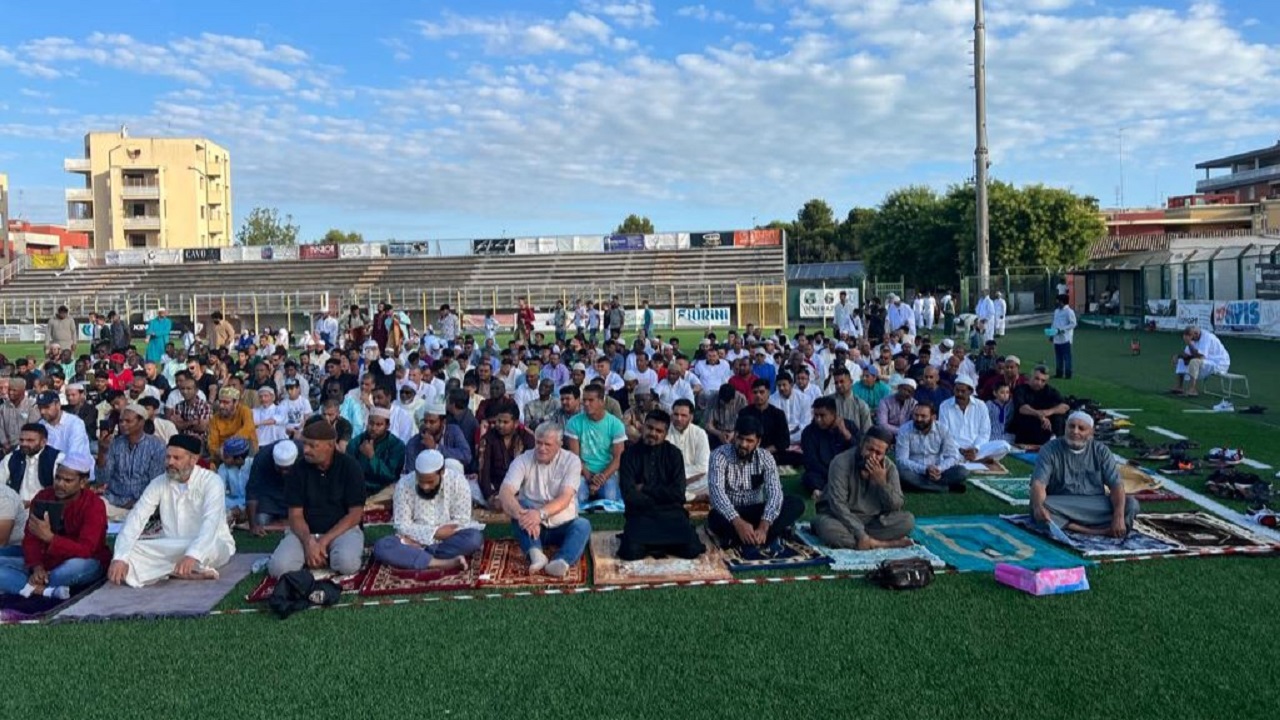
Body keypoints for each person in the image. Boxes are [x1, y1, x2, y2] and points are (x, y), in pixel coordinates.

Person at [107, 435, 237, 587]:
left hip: (210, 544)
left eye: (177, 458)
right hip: (172, 545)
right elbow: (137, 517)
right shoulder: (159, 482)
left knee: (213, 547)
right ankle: (181, 572)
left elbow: (211, 523)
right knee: (130, 550)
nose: (170, 462)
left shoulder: (212, 482)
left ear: (193, 460)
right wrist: (120, 558)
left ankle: (171, 570)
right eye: (168, 457)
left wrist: (192, 554)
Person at [0, 454, 109, 599]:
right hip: (45, 560)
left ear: (83, 482)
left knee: (68, 571)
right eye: (57, 478)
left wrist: (50, 538)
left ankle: (23, 586)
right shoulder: (43, 496)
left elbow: (86, 550)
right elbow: (31, 539)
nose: (60, 484)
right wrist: (37, 566)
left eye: (67, 480)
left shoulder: (94, 505)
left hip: (83, 561)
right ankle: (45, 591)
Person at [268, 419, 366, 578]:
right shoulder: (297, 470)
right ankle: (316, 554)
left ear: (330, 445)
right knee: (278, 568)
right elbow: (295, 515)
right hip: (305, 533)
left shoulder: (350, 467)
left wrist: (323, 541)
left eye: (312, 445)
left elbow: (355, 515)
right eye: (304, 444)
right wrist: (308, 542)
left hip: (341, 531)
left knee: (347, 564)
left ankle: (321, 553)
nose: (305, 450)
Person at [497, 423, 591, 578]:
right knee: (518, 506)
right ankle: (536, 554)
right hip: (532, 526)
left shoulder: (572, 461)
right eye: (538, 443)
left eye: (547, 444)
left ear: (560, 445)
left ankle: (561, 561)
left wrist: (539, 514)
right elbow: (505, 491)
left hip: (562, 523)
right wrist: (523, 515)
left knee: (583, 525)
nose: (541, 448)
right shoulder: (523, 459)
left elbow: (565, 498)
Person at [372, 450, 484, 572]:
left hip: (436, 541)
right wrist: (434, 532)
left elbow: (461, 521)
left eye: (430, 482)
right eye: (421, 481)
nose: (425, 486)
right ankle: (440, 563)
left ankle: (415, 557)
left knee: (473, 538)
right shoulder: (404, 485)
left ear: (442, 472)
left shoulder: (458, 482)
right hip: (419, 540)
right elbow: (402, 525)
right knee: (382, 546)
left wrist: (420, 540)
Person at [1031, 412, 1138, 537]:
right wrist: (1038, 506)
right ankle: (1098, 531)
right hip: (1062, 504)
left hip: (1093, 504)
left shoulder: (1101, 451)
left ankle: (1072, 526)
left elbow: (1116, 485)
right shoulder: (1049, 449)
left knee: (1131, 505)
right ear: (1065, 427)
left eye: (1081, 428)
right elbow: (1039, 483)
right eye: (1071, 426)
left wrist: (1118, 516)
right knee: (1040, 506)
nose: (1075, 431)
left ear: (1091, 433)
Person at [705, 416, 805, 549]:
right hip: (730, 514)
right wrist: (738, 522)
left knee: (795, 503)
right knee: (714, 517)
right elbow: (717, 494)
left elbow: (775, 493)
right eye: (740, 438)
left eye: (749, 441)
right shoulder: (719, 456)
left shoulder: (766, 457)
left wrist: (764, 525)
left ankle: (753, 536)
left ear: (758, 442)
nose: (743, 444)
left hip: (757, 512)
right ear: (734, 436)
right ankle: (768, 536)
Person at [617, 409, 704, 560]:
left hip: (671, 513)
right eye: (650, 428)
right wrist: (661, 496)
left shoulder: (674, 454)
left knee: (692, 550)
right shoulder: (629, 455)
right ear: (643, 427)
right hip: (641, 514)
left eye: (659, 431)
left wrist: (644, 488)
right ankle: (660, 545)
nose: (653, 433)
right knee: (630, 553)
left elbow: (678, 493)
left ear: (665, 434)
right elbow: (629, 494)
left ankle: (655, 546)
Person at [811, 428, 914, 549]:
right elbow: (837, 505)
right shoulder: (841, 463)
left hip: (872, 521)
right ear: (862, 445)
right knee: (830, 531)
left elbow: (896, 505)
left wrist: (882, 483)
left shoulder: (890, 468)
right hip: (838, 518)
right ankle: (881, 544)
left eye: (878, 453)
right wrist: (860, 533)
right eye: (870, 449)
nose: (872, 456)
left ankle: (866, 541)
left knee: (908, 521)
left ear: (885, 454)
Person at [565, 385, 625, 504]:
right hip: (582, 471)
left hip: (606, 472)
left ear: (602, 402)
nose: (586, 404)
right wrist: (589, 477)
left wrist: (601, 478)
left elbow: (618, 458)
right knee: (578, 498)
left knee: (610, 497)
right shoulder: (574, 422)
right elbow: (574, 457)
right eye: (584, 400)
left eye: (591, 400)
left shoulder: (615, 424)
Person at [895, 402, 967, 493]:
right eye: (916, 415)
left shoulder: (942, 429)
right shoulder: (905, 430)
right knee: (902, 473)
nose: (918, 419)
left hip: (937, 472)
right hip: (915, 471)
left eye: (923, 416)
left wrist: (939, 469)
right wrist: (925, 470)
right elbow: (901, 460)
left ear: (933, 417)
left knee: (962, 471)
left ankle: (916, 486)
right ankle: (945, 488)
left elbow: (952, 456)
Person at [474, 399, 535, 507]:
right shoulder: (488, 438)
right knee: (473, 489)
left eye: (505, 422)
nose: (500, 425)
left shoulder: (527, 438)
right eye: (498, 421)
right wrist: (490, 497)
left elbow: (532, 470)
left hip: (520, 490)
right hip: (495, 488)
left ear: (516, 424)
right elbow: (483, 471)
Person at [938, 375, 1009, 463]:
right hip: (955, 448)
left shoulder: (981, 405)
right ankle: (976, 459)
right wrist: (961, 450)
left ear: (970, 392)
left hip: (977, 448)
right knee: (941, 451)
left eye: (963, 391)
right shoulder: (944, 406)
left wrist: (975, 448)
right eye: (957, 390)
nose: (959, 394)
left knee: (1004, 445)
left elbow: (985, 432)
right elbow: (945, 433)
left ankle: (971, 457)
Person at [800, 396, 858, 496]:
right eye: (816, 415)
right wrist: (832, 474)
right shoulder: (808, 432)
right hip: (823, 473)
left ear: (833, 414)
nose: (818, 419)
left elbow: (860, 451)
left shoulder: (849, 426)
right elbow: (810, 461)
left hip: (847, 470)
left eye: (822, 415)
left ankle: (827, 490)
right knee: (809, 477)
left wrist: (846, 434)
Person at [348, 407, 407, 506]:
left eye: (379, 425)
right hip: (360, 489)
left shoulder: (397, 445)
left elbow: (391, 476)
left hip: (385, 489)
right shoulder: (356, 442)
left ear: (387, 426)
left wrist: (372, 457)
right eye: (371, 423)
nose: (374, 428)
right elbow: (349, 471)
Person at [739, 379, 802, 468]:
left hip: (772, 452)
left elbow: (785, 441)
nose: (758, 395)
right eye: (755, 392)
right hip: (749, 451)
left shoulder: (778, 414)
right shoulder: (744, 413)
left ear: (768, 393)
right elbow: (739, 436)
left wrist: (766, 451)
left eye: (761, 392)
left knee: (799, 457)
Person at [1, 424, 64, 504]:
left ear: (43, 442)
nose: (24, 444)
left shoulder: (57, 458)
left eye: (30, 440)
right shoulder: (12, 457)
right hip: (16, 507)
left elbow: (63, 490)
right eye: (21, 440)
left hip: (46, 508)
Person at [246, 440, 298, 535]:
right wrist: (253, 526)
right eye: (280, 468)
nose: (284, 473)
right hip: (270, 494)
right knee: (261, 521)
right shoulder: (262, 457)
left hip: (295, 494)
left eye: (287, 469)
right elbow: (252, 492)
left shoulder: (304, 455)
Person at [1010, 366, 1069, 446]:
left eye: (1043, 381)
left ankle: (1056, 440)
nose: (1039, 383)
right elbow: (1022, 408)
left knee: (1059, 416)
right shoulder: (1021, 389)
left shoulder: (1048, 390)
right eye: (1037, 379)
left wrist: (1047, 413)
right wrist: (1039, 415)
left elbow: (1065, 406)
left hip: (1045, 422)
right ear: (1030, 377)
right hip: (1026, 422)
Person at [666, 399, 710, 501]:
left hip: (694, 481)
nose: (679, 418)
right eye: (676, 414)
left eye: (683, 415)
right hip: (670, 480)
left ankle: (684, 496)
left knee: (713, 481)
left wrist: (682, 478)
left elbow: (703, 467)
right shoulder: (664, 432)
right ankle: (694, 497)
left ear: (691, 417)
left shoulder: (700, 433)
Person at [1171, 325, 1231, 397]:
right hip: (1208, 360)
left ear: (1195, 334)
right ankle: (1179, 387)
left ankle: (1193, 389)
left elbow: (1200, 356)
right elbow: (1187, 354)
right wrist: (1178, 356)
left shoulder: (1207, 337)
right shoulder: (1194, 337)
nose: (1192, 341)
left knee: (1194, 361)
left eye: (1192, 339)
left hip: (1219, 362)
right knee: (1181, 360)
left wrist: (1189, 343)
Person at [37, 391, 90, 465]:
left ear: (58, 405)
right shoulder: (40, 424)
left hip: (74, 470)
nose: (42, 412)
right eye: (40, 408)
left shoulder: (75, 423)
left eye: (46, 407)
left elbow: (75, 454)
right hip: (49, 469)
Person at [208, 387, 257, 465]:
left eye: (226, 402)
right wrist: (222, 453)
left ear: (236, 403)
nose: (221, 406)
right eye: (220, 402)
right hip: (224, 456)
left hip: (245, 453)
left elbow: (248, 428)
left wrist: (229, 445)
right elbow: (212, 444)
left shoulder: (244, 411)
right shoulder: (215, 418)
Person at [218, 436, 254, 520]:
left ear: (239, 459)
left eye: (227, 457)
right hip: (231, 504)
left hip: (250, 502)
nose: (223, 459)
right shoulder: (223, 468)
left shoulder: (252, 464)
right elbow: (219, 492)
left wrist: (241, 507)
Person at [1050, 294, 1077, 380]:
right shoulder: (1056, 311)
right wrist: (1051, 334)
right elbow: (1054, 323)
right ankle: (1059, 373)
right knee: (1058, 357)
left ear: (1062, 302)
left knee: (1066, 357)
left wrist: (1062, 329)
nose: (1056, 302)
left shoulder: (1069, 311)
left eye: (1058, 300)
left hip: (1065, 338)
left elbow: (1073, 323)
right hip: (1057, 338)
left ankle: (1068, 374)